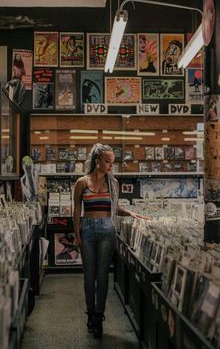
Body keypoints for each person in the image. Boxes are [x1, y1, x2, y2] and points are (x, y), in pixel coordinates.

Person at [73, 143, 149, 338]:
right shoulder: (81, 183)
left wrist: (132, 213)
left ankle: (99, 316)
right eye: (107, 162)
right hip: (87, 229)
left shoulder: (113, 183)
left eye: (112, 162)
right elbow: (76, 211)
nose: (110, 166)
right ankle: (90, 314)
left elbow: (116, 208)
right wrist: (76, 235)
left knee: (102, 275)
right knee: (89, 276)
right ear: (97, 161)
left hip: (108, 229)